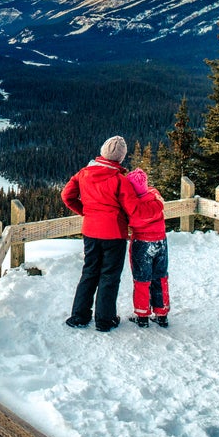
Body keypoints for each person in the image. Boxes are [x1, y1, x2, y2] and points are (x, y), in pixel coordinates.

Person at [61, 135, 138, 332]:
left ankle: (79, 316)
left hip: (91, 232)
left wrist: (86, 212)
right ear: (120, 159)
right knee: (109, 276)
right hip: (114, 234)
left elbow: (67, 196)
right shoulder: (120, 180)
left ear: (102, 153)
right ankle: (105, 320)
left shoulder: (84, 173)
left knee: (89, 272)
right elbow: (133, 209)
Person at [125, 167, 169, 327]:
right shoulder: (155, 198)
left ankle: (142, 315)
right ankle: (162, 314)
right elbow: (152, 192)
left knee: (141, 280)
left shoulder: (133, 206)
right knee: (160, 277)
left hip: (142, 244)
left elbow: (128, 220)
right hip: (160, 242)